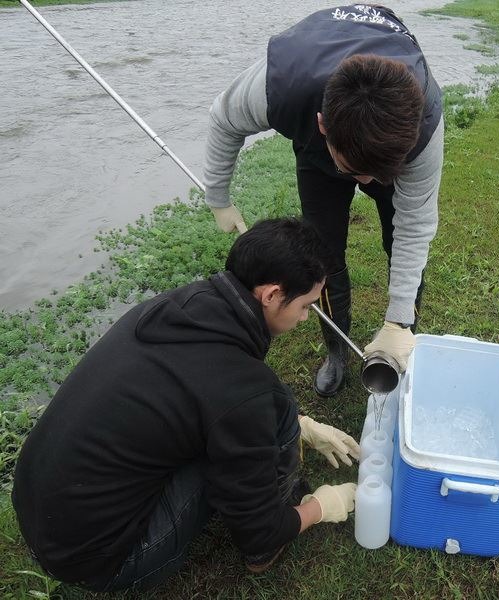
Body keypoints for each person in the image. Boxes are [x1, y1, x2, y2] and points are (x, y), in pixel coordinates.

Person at [12, 218, 361, 593]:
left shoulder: (178, 306)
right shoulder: (242, 388)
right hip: (100, 561)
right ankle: (274, 535)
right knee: (270, 410)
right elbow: (257, 530)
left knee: (270, 408)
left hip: (37, 514)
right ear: (272, 295)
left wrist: (300, 423)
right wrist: (324, 506)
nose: (306, 317)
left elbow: (216, 395)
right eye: (306, 306)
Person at [203, 4, 444, 397]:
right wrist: (218, 197)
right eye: (355, 171)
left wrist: (398, 319)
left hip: (378, 150)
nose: (366, 183)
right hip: (320, 155)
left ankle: (400, 340)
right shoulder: (279, 86)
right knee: (323, 256)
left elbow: (415, 229)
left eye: (375, 175)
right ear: (321, 126)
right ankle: (337, 352)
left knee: (398, 242)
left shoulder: (423, 125)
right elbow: (223, 118)